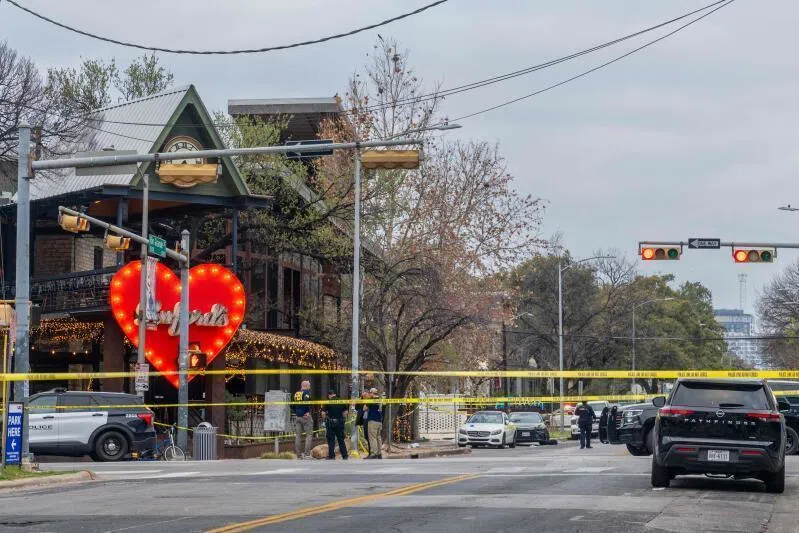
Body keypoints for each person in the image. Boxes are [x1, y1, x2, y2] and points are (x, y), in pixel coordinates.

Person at [322, 390, 348, 460]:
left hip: (331, 423)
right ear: (335, 394)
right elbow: (345, 412)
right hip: (339, 423)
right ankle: (345, 455)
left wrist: (324, 420)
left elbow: (323, 413)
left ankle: (332, 456)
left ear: (329, 395)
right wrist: (342, 419)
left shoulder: (328, 402)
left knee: (331, 440)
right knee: (341, 440)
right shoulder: (341, 401)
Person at [293, 380, 313, 459]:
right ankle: (307, 454)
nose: (310, 387)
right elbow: (306, 402)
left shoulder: (296, 393)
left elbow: (293, 405)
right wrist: (307, 411)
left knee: (298, 436)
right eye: (309, 385)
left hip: (298, 416)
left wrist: (297, 412)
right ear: (306, 386)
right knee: (309, 435)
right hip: (305, 416)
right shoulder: (307, 393)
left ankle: (298, 455)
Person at [365, 387, 384, 459]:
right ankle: (379, 453)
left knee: (372, 438)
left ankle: (374, 453)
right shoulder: (380, 399)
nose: (369, 394)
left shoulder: (371, 400)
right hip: (379, 420)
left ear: (372, 393)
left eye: (370, 393)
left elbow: (365, 408)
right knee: (378, 437)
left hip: (372, 420)